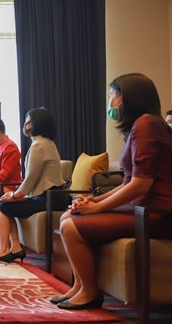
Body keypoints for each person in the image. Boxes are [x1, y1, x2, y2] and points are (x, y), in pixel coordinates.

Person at [54, 73, 172, 310]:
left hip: (156, 212)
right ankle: (79, 285)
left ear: (129, 97)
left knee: (71, 226)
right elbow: (127, 181)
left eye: (113, 95)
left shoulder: (147, 124)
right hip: (141, 207)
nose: (111, 102)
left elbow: (141, 184)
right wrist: (93, 199)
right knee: (68, 215)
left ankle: (89, 292)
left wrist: (97, 207)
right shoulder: (139, 126)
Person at [0, 108, 65, 263]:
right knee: (7, 204)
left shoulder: (38, 146)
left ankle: (4, 249)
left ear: (35, 123)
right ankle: (15, 247)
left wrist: (14, 195)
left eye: (28, 120)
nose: (25, 123)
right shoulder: (47, 143)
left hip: (47, 198)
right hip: (52, 195)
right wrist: (17, 196)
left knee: (3, 205)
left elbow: (29, 182)